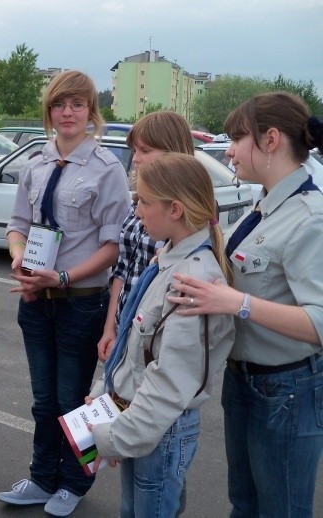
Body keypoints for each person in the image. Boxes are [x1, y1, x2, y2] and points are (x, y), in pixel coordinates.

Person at [167, 92, 323, 517]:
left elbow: (319, 322)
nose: (229, 150)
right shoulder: (268, 204)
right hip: (247, 382)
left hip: (286, 390)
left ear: (271, 140)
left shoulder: (310, 217)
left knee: (281, 510)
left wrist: (237, 302)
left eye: (237, 138)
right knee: (246, 504)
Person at [0, 70, 130, 517]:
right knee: (43, 401)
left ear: (91, 111)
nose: (68, 112)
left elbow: (113, 247)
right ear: (48, 112)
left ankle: (75, 482)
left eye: (77, 104)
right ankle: (41, 477)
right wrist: (19, 258)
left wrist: (64, 277)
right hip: (36, 300)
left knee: (73, 403)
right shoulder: (36, 162)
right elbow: (18, 226)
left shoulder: (108, 169)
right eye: (59, 104)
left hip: (79, 301)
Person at [88, 152, 235, 517]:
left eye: (143, 202)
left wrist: (114, 439)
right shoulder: (167, 259)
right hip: (142, 421)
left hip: (159, 431)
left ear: (175, 210)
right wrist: (105, 397)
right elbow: (134, 347)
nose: (136, 211)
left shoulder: (192, 281)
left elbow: (170, 383)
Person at [98, 111, 195, 364]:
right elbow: (122, 269)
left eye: (145, 150)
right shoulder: (139, 199)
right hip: (126, 327)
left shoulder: (188, 210)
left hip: (156, 339)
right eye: (135, 150)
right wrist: (111, 328)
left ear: (173, 152)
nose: (136, 159)